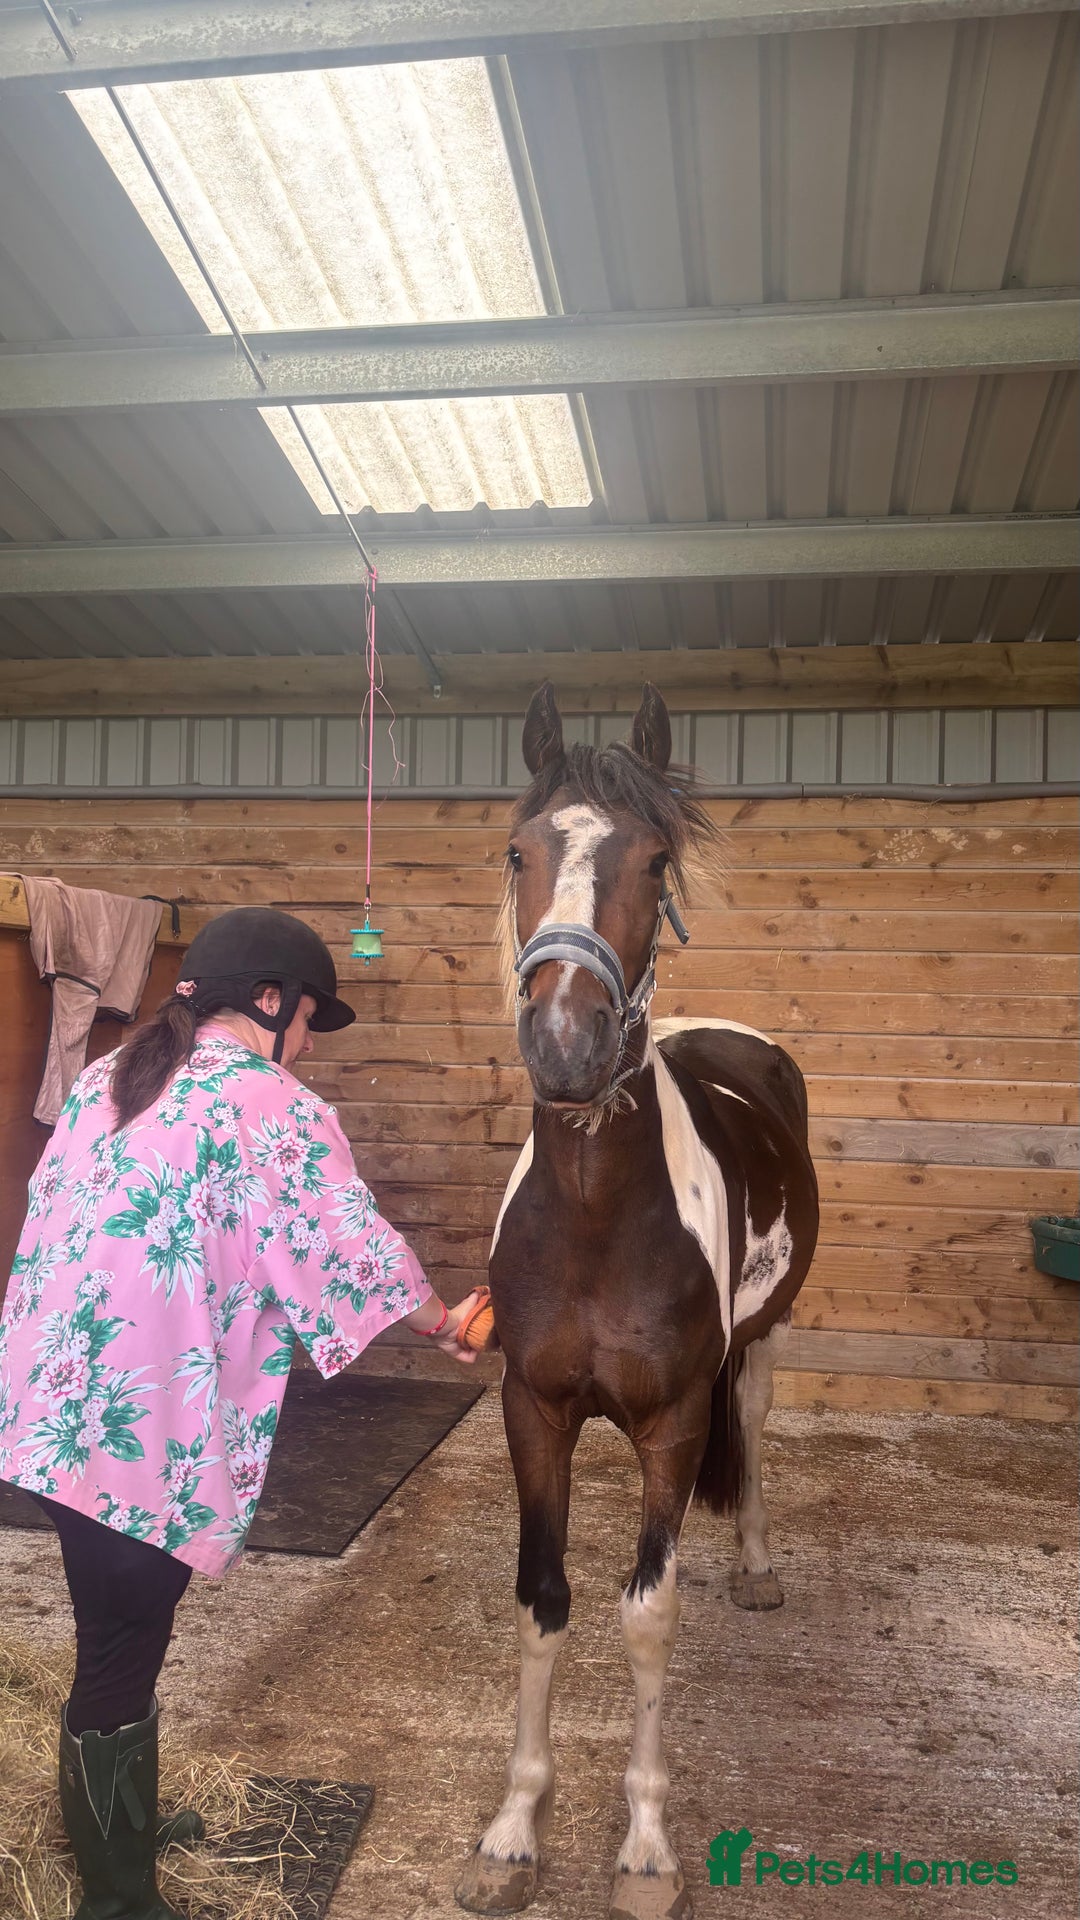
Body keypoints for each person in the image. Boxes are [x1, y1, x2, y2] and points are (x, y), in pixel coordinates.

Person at [0, 907, 483, 1920]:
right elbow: (344, 1239)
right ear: (268, 1000)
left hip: (57, 1412)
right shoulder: (266, 1100)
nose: (306, 1046)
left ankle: (122, 1828)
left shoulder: (109, 1079)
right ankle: (117, 1900)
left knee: (119, 1634)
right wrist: (445, 1322)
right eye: (308, 1019)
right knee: (119, 1653)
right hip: (143, 1429)